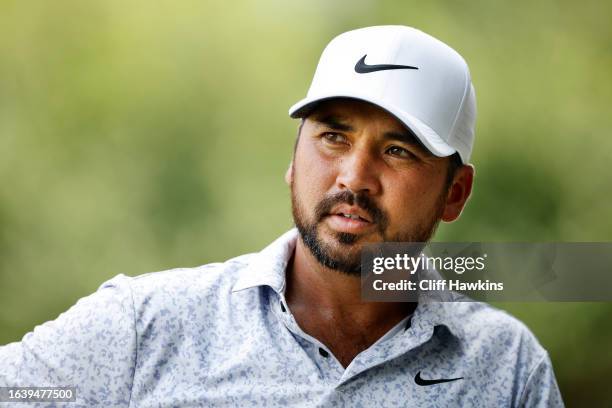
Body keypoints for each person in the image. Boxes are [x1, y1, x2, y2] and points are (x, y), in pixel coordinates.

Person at [0, 25, 563, 407]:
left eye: (398, 151)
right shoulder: (143, 328)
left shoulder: (507, 368)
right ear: (293, 161)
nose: (353, 178)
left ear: (454, 194)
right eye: (333, 137)